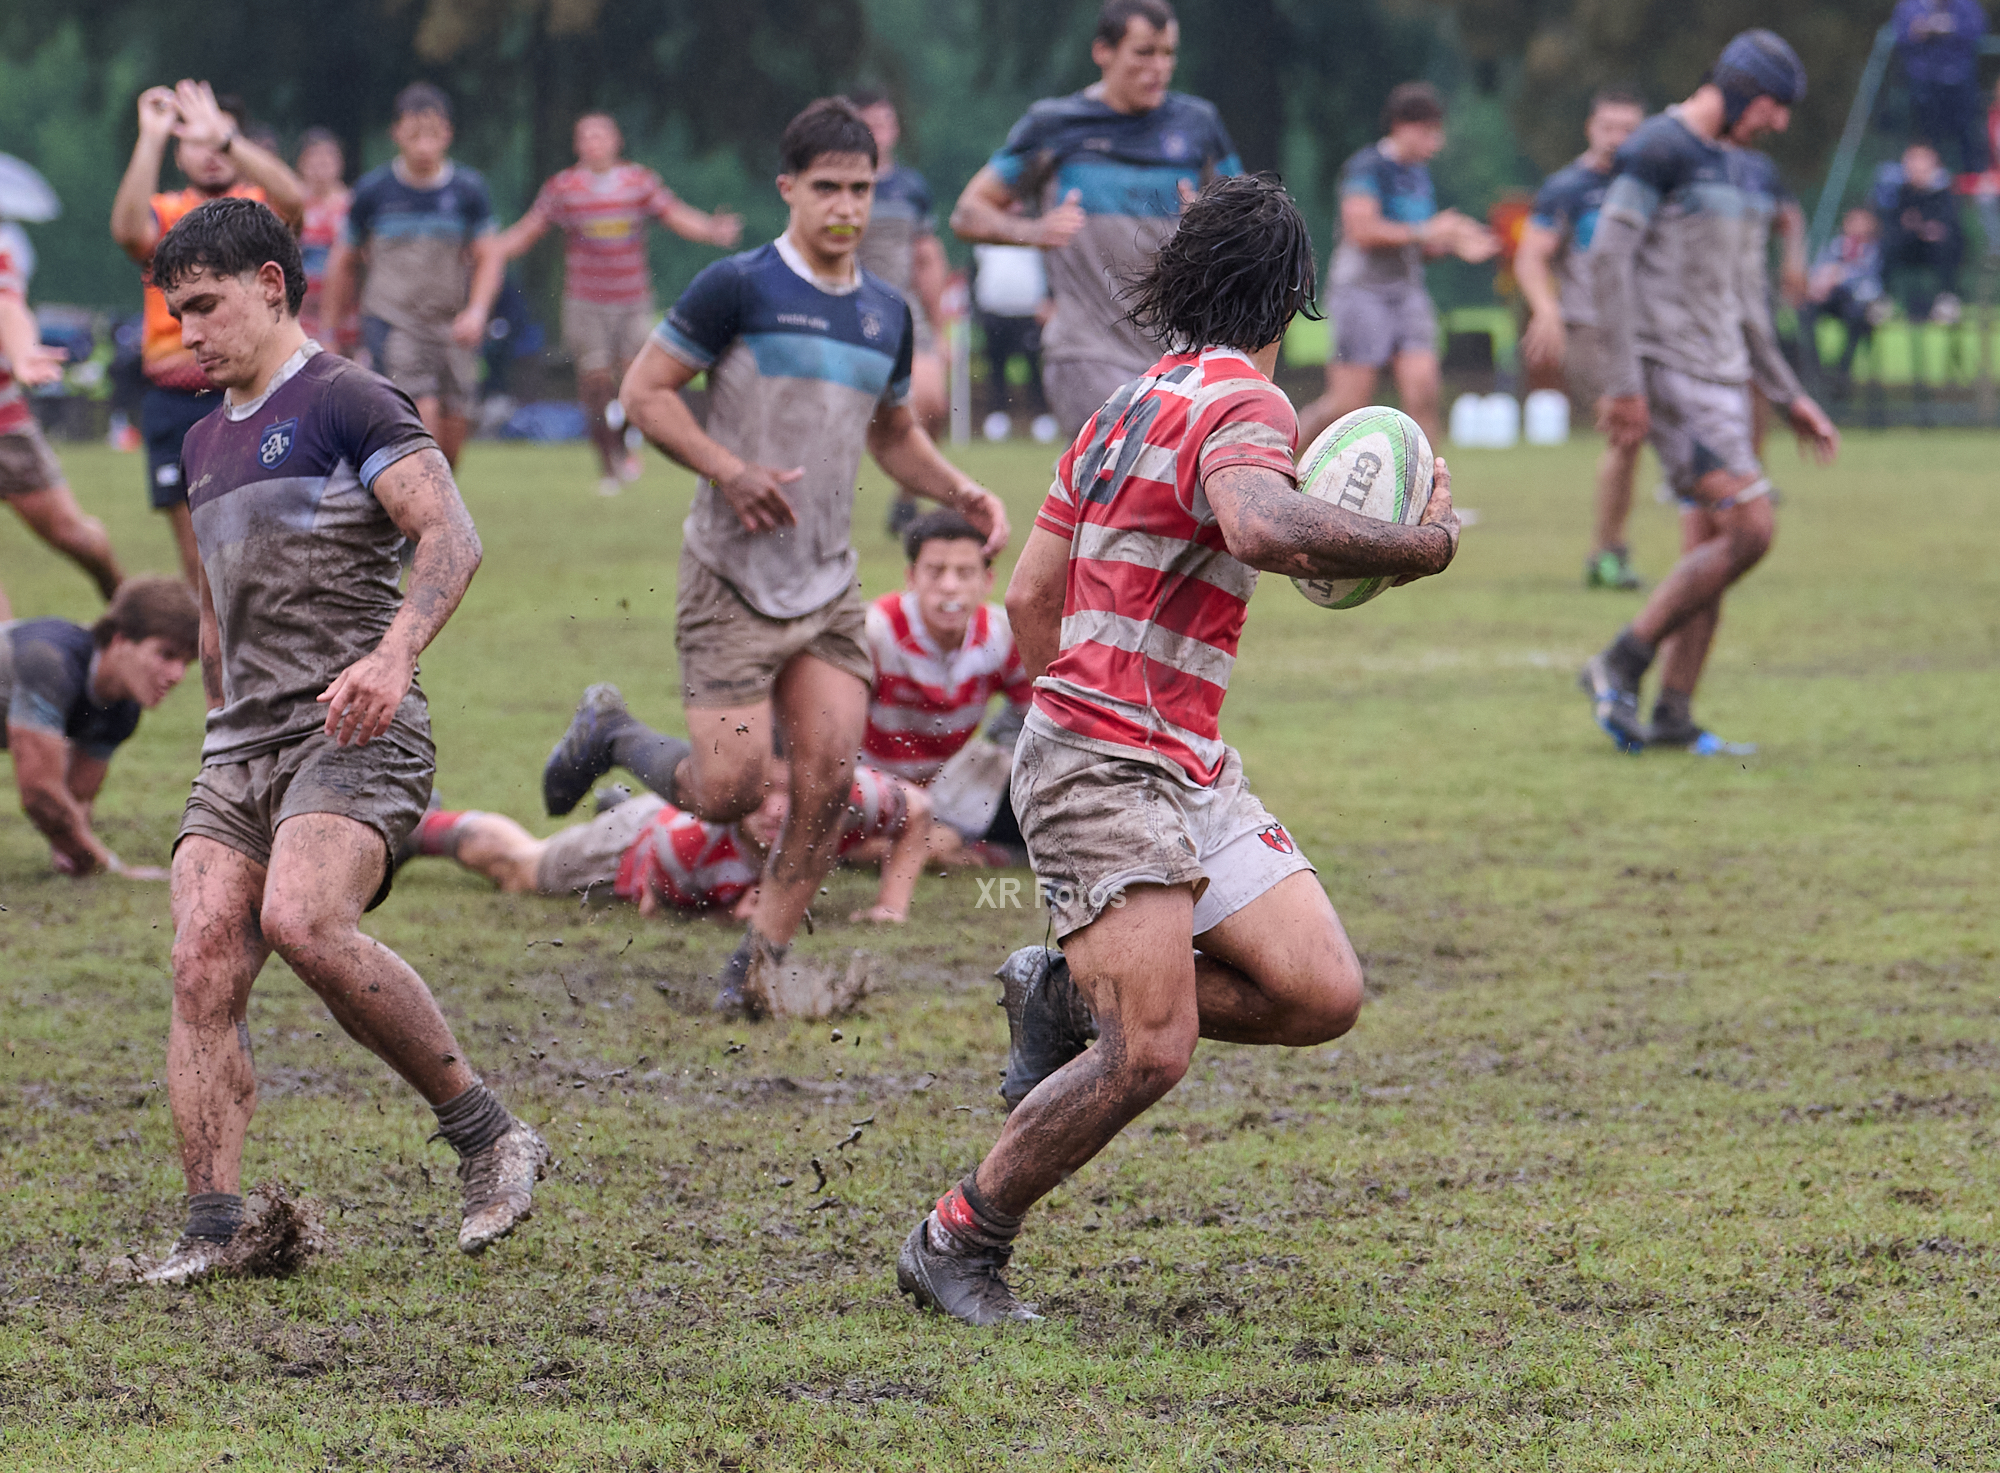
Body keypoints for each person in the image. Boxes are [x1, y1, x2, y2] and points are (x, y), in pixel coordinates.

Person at [893, 173, 1461, 1327]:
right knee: (1149, 1049)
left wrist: (1095, 704)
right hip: (1108, 762)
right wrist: (1420, 545)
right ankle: (958, 1239)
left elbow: (1030, 599)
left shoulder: (1118, 404)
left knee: (1319, 991)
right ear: (1291, 298)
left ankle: (1060, 986)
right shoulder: (1248, 404)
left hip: (1175, 757)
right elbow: (1260, 526)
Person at [139, 198, 544, 1285]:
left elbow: (450, 536)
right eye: (177, 313)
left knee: (304, 920)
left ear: (272, 284)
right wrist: (217, 727)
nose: (190, 331)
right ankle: (214, 1230)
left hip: (356, 726)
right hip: (241, 749)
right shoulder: (201, 438)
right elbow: (220, 606)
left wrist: (394, 654)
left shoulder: (345, 400)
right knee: (199, 956)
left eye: (207, 305)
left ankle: (488, 1135)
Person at [609, 98, 1008, 1018]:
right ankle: (615, 735)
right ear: (788, 189)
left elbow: (894, 433)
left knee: (828, 781)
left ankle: (761, 959)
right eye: (826, 188)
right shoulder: (736, 288)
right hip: (730, 578)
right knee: (732, 788)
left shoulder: (884, 313)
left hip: (826, 585)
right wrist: (729, 470)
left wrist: (958, 490)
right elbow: (645, 391)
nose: (846, 207)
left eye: (861, 190)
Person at [1579, 31, 1840, 757]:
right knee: (1753, 527)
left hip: (1728, 381)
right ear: (1735, 90)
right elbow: (1607, 261)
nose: (1777, 122)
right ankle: (1622, 658)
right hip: (1671, 379)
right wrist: (1625, 383)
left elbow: (1750, 302)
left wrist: (1790, 398)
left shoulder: (1742, 169)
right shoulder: (1657, 149)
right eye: (1770, 106)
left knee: (1713, 549)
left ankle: (1674, 714)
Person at [949, 0, 1242, 436]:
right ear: (1102, 52)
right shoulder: (1056, 125)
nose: (1159, 67)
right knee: (1126, 464)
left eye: (1168, 53)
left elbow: (1249, 224)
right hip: (1085, 349)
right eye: (1144, 53)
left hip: (1179, 350)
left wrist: (1209, 222)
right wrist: (1033, 231)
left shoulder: (1198, 124)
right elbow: (967, 213)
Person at [109, 80, 305, 588]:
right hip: (174, 399)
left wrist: (225, 138)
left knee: (264, 549)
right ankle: (219, 664)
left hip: (252, 394)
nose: (210, 154)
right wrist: (150, 136)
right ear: (178, 153)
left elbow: (295, 200)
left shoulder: (256, 212)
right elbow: (129, 231)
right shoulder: (167, 213)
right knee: (201, 565)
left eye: (217, 140)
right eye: (193, 142)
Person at [487, 112, 741, 496]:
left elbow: (674, 215)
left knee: (635, 378)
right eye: (586, 137)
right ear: (578, 146)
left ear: (616, 141)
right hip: (585, 302)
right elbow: (528, 230)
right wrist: (490, 250)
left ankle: (626, 445)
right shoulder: (564, 188)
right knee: (595, 383)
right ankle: (608, 467)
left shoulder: (638, 183)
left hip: (632, 300)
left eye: (600, 135)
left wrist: (710, 229)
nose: (594, 143)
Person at [404, 758, 936, 925]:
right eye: (763, 792)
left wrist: (890, 906)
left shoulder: (843, 794)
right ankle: (418, 826)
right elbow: (652, 906)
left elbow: (919, 810)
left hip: (682, 822)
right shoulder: (685, 853)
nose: (777, 809)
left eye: (790, 793)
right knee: (520, 869)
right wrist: (725, 913)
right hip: (638, 840)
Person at [1296, 82, 1500, 449]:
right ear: (1402, 126)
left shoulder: (1419, 174)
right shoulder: (1367, 167)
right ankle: (1281, 452)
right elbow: (1363, 231)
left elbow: (1416, 244)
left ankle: (1428, 497)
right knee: (1345, 405)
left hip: (1407, 293)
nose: (1434, 144)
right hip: (1362, 293)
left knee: (1423, 393)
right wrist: (1429, 229)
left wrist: (1455, 242)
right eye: (1428, 133)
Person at [319, 84, 502, 468]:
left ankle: (422, 517)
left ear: (448, 134)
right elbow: (343, 261)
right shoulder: (373, 192)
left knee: (451, 443)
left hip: (451, 326)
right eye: (414, 133)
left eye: (432, 134)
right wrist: (331, 331)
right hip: (394, 322)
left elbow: (489, 255)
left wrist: (478, 310)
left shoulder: (468, 191)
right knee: (424, 423)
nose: (423, 145)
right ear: (396, 133)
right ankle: (418, 521)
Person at [1514, 89, 1648, 592]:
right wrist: (1547, 309)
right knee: (1625, 431)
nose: (1619, 138)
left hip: (1648, 329)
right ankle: (1607, 553)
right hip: (1590, 327)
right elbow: (1531, 256)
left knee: (1637, 437)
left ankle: (1616, 548)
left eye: (1629, 128)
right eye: (1609, 126)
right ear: (1591, 127)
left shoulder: (1649, 185)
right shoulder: (1568, 187)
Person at [861, 509, 1031, 867]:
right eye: (936, 572)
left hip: (950, 792)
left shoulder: (1001, 635)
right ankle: (938, 851)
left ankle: (934, 847)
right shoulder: (876, 632)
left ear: (987, 581)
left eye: (965, 573)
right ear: (911, 577)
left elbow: (1040, 718)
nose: (950, 586)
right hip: (870, 785)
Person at [2, 577, 197, 878]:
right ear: (120, 640)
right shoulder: (49, 661)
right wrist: (107, 864)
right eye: (166, 654)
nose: (177, 675)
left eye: (187, 662)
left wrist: (72, 850)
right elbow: (40, 795)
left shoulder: (124, 708)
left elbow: (76, 798)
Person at [0, 227, 126, 610]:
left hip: (4, 423)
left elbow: (7, 306)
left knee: (71, 534)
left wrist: (23, 353)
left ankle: (122, 602)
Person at [847, 92, 950, 542]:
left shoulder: (910, 186)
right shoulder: (839, 183)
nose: (878, 130)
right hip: (849, 306)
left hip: (904, 309)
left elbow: (926, 256)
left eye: (884, 121)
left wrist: (940, 324)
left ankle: (906, 497)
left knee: (933, 404)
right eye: (867, 122)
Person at [1893, 0, 1990, 175]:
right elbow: (1901, 35)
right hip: (1923, 81)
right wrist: (1920, 30)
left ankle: (1972, 179)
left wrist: (1952, 27)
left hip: (1959, 79)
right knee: (1927, 132)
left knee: (1967, 130)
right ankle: (1928, 175)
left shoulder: (1964, 5)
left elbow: (1978, 28)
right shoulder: (1910, 7)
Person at [1873, 141, 1966, 323]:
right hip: (1908, 246)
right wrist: (1913, 227)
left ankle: (1947, 299)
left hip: (1935, 249)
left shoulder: (1944, 191)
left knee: (1948, 243)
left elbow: (1951, 224)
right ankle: (1884, 298)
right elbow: (1892, 221)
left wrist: (1932, 229)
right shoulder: (1898, 191)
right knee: (1887, 243)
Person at [971, 241, 1053, 434]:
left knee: (1034, 368)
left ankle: (1042, 417)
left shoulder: (1036, 234)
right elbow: (974, 273)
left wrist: (1049, 298)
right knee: (996, 367)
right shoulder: (985, 240)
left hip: (1028, 313)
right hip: (995, 313)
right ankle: (997, 417)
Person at [1802, 207, 1887, 387]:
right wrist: (1821, 283)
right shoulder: (1835, 246)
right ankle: (1813, 368)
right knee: (1805, 310)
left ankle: (1842, 370)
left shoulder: (1874, 249)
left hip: (1858, 302)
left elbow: (1870, 280)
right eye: (1852, 221)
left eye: (1861, 221)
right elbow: (1819, 270)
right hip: (1832, 299)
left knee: (1857, 317)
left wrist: (1840, 275)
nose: (1856, 226)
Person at [295, 128, 357, 357]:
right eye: (314, 157)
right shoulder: (290, 206)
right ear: (301, 163)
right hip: (302, 313)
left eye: (328, 157)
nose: (321, 164)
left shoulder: (353, 206)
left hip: (347, 313)